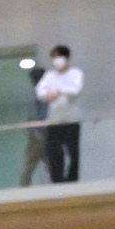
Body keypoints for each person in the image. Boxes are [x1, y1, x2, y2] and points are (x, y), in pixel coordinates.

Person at [36, 46, 83, 183]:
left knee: (73, 153)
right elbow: (40, 91)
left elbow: (75, 90)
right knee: (54, 153)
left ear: (66, 58)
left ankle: (72, 180)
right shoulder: (50, 76)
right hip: (54, 121)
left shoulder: (75, 73)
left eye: (58, 57)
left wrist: (58, 91)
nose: (56, 60)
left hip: (71, 120)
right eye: (54, 58)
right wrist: (49, 95)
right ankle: (58, 180)